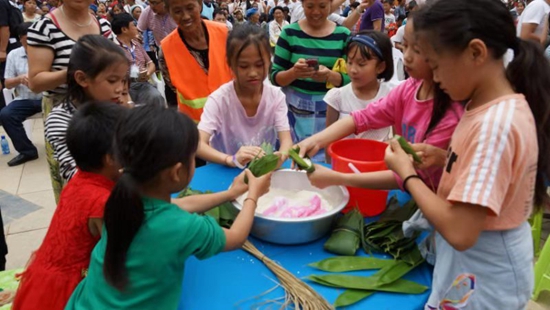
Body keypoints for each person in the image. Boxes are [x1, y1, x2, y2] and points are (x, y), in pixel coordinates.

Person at [383, 0, 550, 308]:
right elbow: (495, 176)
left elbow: (460, 230)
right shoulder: (486, 107)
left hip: (486, 275)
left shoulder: (494, 126)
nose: (433, 77)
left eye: (434, 65)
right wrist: (445, 159)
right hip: (475, 265)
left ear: (475, 52)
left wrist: (407, 174)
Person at [64, 105, 272, 309]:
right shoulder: (182, 227)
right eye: (192, 157)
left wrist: (230, 194)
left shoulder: (123, 200)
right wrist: (253, 195)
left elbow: (181, 204)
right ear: (176, 172)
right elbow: (236, 237)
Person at [300, 16, 463, 194]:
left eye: (416, 50)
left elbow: (411, 175)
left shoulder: (450, 114)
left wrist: (341, 178)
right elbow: (362, 118)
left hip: (435, 196)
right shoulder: (409, 88)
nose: (405, 56)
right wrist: (315, 141)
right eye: (404, 45)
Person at [11, 102, 128, 310]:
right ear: (111, 159)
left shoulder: (80, 180)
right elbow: (118, 259)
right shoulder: (102, 203)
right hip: (67, 294)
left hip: (43, 281)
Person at [27, 0, 113, 202]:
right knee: (77, 184)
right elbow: (36, 81)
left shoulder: (103, 24)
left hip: (103, 110)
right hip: (64, 113)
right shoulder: (44, 28)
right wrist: (77, 73)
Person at [197, 25, 292, 168]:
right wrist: (231, 159)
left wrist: (281, 156)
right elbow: (198, 145)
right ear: (231, 64)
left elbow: (286, 141)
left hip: (261, 173)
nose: (253, 73)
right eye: (244, 66)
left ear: (269, 61)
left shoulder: (276, 97)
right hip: (225, 173)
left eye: (259, 65)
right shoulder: (219, 100)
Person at [271, 0, 351, 162]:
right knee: (293, 162)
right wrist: (294, 73)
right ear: (302, 4)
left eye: (322, 6)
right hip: (294, 115)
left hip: (331, 117)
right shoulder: (289, 33)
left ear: (331, 4)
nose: (316, 12)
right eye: (310, 7)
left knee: (326, 166)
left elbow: (353, 79)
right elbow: (275, 77)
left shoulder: (343, 35)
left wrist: (330, 76)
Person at [45, 35, 129, 185]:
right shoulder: (61, 119)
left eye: (123, 80)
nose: (120, 89)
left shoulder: (119, 105)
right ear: (82, 79)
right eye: (112, 81)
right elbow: (73, 174)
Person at [159, 0, 233, 121]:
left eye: (190, 8)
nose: (186, 16)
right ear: (169, 12)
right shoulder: (166, 50)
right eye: (177, 11)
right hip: (196, 131)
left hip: (235, 123)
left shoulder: (226, 34)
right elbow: (172, 93)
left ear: (200, 5)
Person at [324, 31, 395, 143]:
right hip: (344, 159)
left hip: (379, 159)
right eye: (349, 62)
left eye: (361, 64)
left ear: (380, 67)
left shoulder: (392, 95)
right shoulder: (337, 97)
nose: (353, 70)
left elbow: (398, 139)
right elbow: (328, 139)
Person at [0, 22, 42, 167]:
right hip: (25, 99)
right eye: (26, 42)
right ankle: (27, 151)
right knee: (6, 114)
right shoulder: (14, 55)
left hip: (47, 96)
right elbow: (7, 83)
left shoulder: (47, 52)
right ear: (20, 40)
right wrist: (19, 79)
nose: (30, 46)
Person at [111, 13, 165, 107]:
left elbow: (151, 63)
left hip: (143, 83)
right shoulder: (113, 48)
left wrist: (147, 74)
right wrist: (133, 76)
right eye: (133, 25)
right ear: (124, 29)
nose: (136, 28)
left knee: (156, 97)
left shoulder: (137, 44)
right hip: (126, 86)